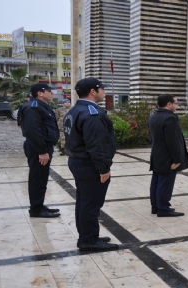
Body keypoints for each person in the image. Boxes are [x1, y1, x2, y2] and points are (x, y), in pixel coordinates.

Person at [63, 77, 118, 251]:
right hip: (89, 165)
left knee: (84, 202)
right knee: (91, 204)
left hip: (78, 161)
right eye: (102, 88)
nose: (105, 92)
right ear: (93, 91)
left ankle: (88, 236)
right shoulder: (91, 113)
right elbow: (97, 144)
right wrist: (103, 169)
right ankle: (88, 241)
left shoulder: (76, 109)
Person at [20, 84, 60, 218]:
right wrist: (42, 151)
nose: (52, 93)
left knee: (41, 178)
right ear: (40, 93)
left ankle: (39, 204)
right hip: (38, 148)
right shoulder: (33, 107)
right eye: (49, 91)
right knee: (37, 178)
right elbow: (32, 131)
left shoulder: (41, 106)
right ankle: (36, 209)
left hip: (42, 146)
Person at [148, 95, 188, 217]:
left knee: (156, 181)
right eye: (176, 103)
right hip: (168, 157)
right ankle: (163, 208)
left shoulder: (153, 116)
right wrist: (177, 159)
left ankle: (155, 206)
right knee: (165, 182)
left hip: (156, 155)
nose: (177, 106)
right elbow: (173, 141)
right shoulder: (170, 118)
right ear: (168, 104)